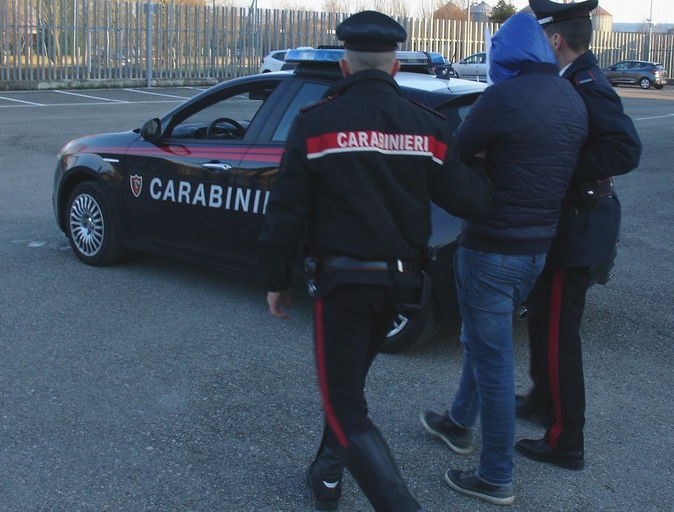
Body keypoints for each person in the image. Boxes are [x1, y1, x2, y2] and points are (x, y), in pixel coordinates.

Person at [259, 10, 493, 511]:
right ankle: (326, 475)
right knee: (349, 390)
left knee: (344, 406)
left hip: (342, 288)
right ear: (393, 68)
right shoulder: (426, 126)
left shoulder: (315, 122)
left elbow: (286, 210)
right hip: (399, 292)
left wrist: (277, 279)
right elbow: (470, 200)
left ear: (344, 66)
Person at [418, 12, 589, 506]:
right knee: (482, 340)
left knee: (493, 360)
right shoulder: (572, 99)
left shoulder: (502, 97)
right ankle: (457, 422)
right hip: (537, 249)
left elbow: (457, 151)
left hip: (492, 247)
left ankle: (495, 475)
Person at [516, 0, 643, 470]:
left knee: (557, 335)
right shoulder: (570, 79)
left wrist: (562, 171)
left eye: (540, 35)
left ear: (554, 39)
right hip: (565, 225)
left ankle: (565, 440)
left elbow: (625, 149)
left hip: (579, 228)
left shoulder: (588, 83)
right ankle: (541, 401)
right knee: (541, 321)